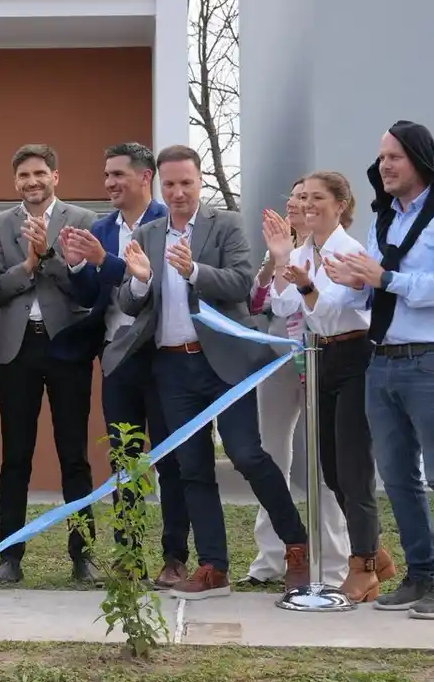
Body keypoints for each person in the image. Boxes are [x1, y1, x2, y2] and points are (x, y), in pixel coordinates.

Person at [111, 145, 311, 599]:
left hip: (223, 363)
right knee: (191, 467)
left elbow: (242, 282)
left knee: (247, 454)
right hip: (172, 367)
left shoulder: (226, 225)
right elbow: (129, 300)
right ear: (158, 185)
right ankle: (213, 566)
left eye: (186, 182)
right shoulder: (150, 231)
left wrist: (195, 269)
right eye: (170, 184)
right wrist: (141, 279)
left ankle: (295, 545)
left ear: (200, 182)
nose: (178, 192)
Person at [325, 121, 434, 620]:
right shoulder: (385, 223)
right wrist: (346, 282)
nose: (383, 166)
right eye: (380, 158)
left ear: (419, 159)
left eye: (393, 157)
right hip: (383, 360)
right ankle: (420, 574)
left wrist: (385, 277)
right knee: (396, 477)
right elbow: (371, 288)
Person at [265, 171, 396, 601]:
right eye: (303, 198)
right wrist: (282, 259)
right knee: (330, 467)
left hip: (354, 356)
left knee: (354, 466)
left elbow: (328, 310)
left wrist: (305, 285)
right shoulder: (304, 250)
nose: (307, 205)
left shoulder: (350, 250)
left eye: (318, 198)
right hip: (319, 357)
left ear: (340, 205)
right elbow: (283, 306)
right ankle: (373, 551)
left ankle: (363, 565)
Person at [63, 142, 189, 588]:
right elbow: (91, 297)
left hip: (163, 357)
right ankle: (129, 554)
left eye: (118, 174)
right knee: (125, 460)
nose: (110, 183)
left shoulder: (167, 222)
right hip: (117, 359)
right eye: (106, 176)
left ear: (144, 177)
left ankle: (175, 557)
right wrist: (79, 268)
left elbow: (153, 286)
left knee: (171, 462)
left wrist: (105, 261)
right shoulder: (101, 227)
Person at [0, 144, 100, 583]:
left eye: (39, 174)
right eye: (23, 176)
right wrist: (29, 264)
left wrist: (48, 257)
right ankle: (9, 557)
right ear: (15, 182)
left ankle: (82, 554)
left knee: (74, 454)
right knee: (16, 456)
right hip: (17, 349)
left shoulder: (84, 221)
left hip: (66, 346)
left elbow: (85, 289)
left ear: (56, 176)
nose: (32, 182)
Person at [244, 179, 350, 588]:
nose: (297, 205)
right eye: (293, 199)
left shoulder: (332, 246)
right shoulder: (284, 248)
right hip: (279, 361)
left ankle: (332, 563)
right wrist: (275, 259)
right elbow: (259, 301)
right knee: (271, 457)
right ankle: (273, 557)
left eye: (306, 199)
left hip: (324, 359)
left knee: (324, 462)